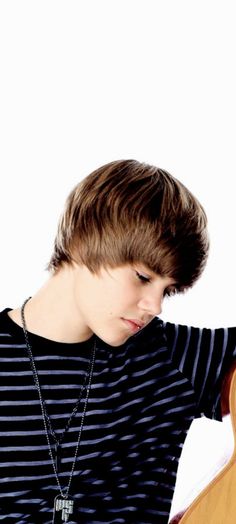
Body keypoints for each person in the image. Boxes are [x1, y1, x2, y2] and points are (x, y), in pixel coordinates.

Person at [0, 159, 235, 524]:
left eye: (168, 291)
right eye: (143, 276)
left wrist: (212, 502)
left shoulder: (167, 355)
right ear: (83, 240)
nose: (154, 306)